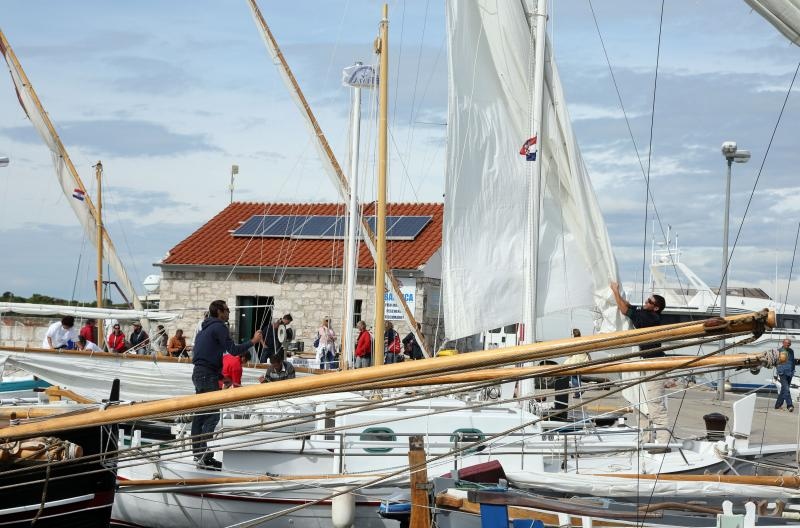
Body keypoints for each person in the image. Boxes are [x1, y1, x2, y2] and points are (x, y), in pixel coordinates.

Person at [191, 299, 262, 470]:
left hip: (200, 373)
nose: (229, 312)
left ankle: (198, 454)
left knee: (200, 416)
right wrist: (253, 341)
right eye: (227, 310)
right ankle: (204, 456)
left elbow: (203, 354)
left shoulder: (204, 327)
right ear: (219, 312)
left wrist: (221, 376)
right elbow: (234, 350)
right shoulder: (219, 326)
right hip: (206, 375)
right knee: (212, 416)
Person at [610, 282, 670, 450]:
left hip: (655, 364)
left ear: (656, 308)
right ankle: (646, 439)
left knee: (655, 406)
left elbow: (624, 310)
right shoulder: (646, 314)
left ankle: (664, 444)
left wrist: (614, 291)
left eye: (649, 301)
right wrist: (620, 294)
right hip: (645, 362)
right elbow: (629, 306)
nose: (646, 302)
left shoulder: (649, 318)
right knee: (640, 401)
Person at [564, 328, 590, 398]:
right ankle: (577, 393)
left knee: (573, 377)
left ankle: (579, 390)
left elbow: (570, 353)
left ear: (573, 335)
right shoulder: (583, 340)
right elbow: (587, 351)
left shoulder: (573, 342)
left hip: (576, 360)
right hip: (583, 360)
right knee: (578, 376)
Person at [775, 338, 796, 412]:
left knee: (784, 390)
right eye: (787, 343)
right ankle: (790, 405)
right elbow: (776, 362)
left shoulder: (791, 351)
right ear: (783, 343)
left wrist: (793, 370)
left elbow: (792, 362)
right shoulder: (779, 351)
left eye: (789, 343)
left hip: (790, 373)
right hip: (782, 373)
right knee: (786, 389)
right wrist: (779, 370)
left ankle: (778, 405)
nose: (788, 344)